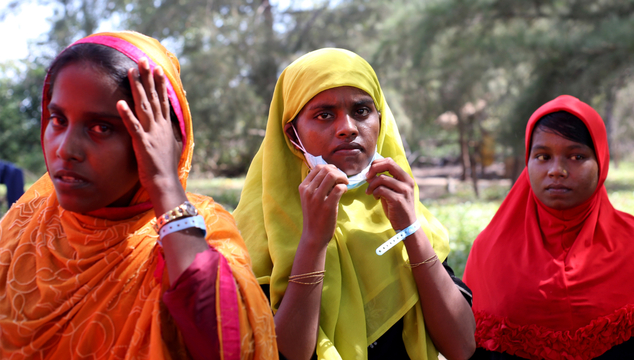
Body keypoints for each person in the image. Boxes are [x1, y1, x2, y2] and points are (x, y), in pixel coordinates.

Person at [0, 31, 277, 359]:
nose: (66, 149)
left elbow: (226, 345)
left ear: (159, 138)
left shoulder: (197, 231)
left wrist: (164, 182)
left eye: (101, 128)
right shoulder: (26, 223)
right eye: (58, 120)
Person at [233, 48, 476, 360]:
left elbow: (462, 346)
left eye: (362, 111)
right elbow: (288, 352)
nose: (347, 127)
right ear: (291, 132)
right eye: (324, 115)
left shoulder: (399, 208)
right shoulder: (257, 229)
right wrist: (313, 241)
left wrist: (410, 229)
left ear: (380, 120)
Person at [464, 95, 634, 359]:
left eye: (577, 156)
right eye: (543, 156)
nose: (557, 170)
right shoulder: (489, 250)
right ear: (528, 161)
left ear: (601, 162)